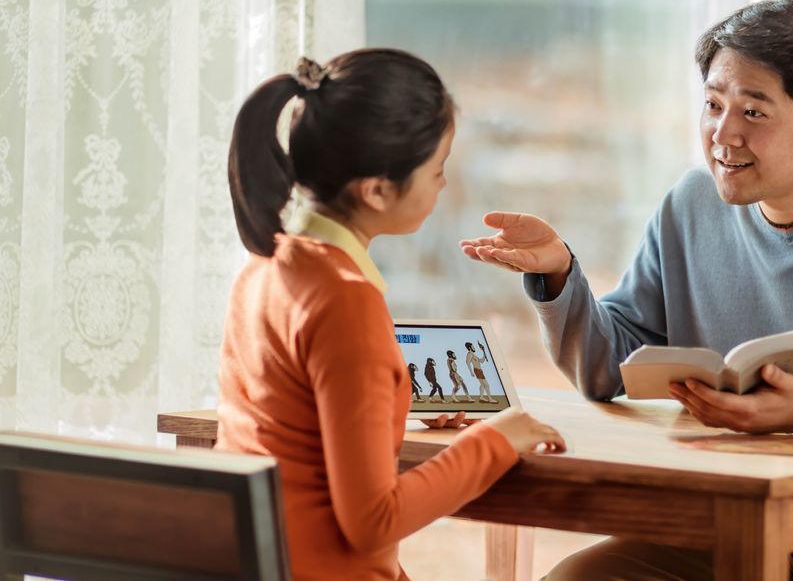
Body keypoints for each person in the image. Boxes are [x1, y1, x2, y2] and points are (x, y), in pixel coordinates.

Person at [461, 0, 793, 580]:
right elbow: (610, 369)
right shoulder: (691, 206)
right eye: (715, 105)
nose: (724, 134)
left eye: (753, 111)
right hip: (760, 511)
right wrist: (558, 276)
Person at [216, 48, 565, 581]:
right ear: (377, 190)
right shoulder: (345, 300)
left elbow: (295, 430)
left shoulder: (264, 266)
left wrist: (389, 417)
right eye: (437, 171)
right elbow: (373, 522)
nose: (443, 187)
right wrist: (496, 440)